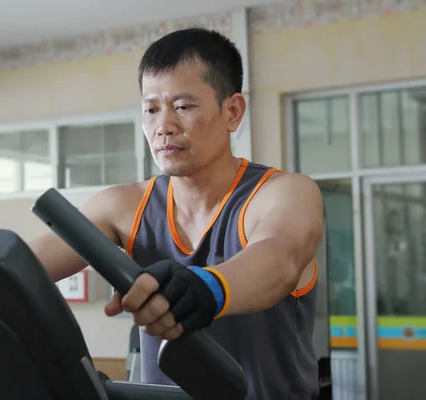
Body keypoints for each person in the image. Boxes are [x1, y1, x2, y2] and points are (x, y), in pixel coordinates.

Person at [29, 27, 324, 399]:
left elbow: (279, 258)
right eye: (151, 110)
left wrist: (206, 288)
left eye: (183, 107)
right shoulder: (123, 206)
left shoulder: (283, 193)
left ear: (232, 111)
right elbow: (19, 268)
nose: (163, 127)